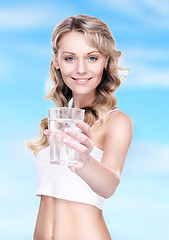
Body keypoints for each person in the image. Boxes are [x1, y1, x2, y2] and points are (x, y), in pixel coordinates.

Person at [27, 14, 133, 240]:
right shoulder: (56, 122)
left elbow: (109, 186)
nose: (81, 69)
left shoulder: (117, 121)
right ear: (56, 61)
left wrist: (83, 161)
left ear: (106, 61)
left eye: (92, 58)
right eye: (70, 58)